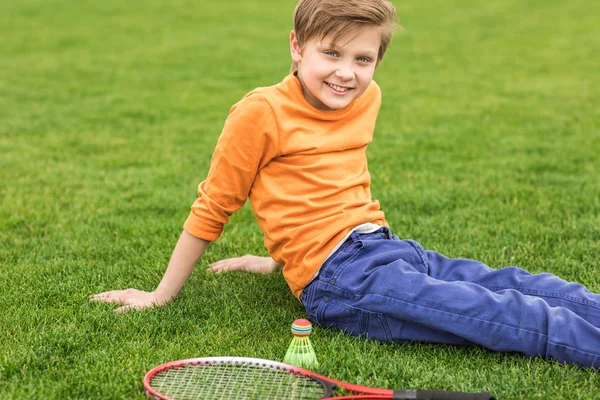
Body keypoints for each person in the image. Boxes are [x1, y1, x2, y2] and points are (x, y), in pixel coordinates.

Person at [90, 0, 600, 369]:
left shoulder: (367, 97)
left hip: (383, 246)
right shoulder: (260, 113)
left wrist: (277, 257)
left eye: (363, 59)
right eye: (331, 54)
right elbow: (213, 206)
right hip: (342, 284)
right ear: (296, 47)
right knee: (502, 313)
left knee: (523, 283)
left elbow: (328, 186)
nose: (346, 74)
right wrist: (160, 295)